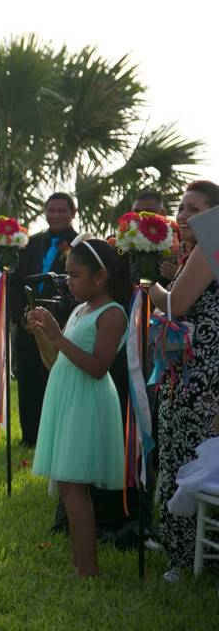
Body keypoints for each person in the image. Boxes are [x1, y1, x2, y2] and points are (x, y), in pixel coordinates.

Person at [28, 235, 130, 577]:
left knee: (74, 486)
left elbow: (99, 366)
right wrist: (44, 334)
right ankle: (79, 561)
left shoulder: (112, 313)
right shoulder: (78, 310)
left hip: (88, 400)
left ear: (99, 277)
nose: (68, 282)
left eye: (75, 275)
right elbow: (55, 361)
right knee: (69, 484)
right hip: (67, 395)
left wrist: (58, 337)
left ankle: (88, 567)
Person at [146, 180, 219, 582]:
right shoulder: (196, 251)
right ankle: (181, 546)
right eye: (181, 206)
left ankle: (188, 556)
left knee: (188, 456)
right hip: (186, 368)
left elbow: (176, 304)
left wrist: (146, 283)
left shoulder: (210, 246)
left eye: (195, 208)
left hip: (201, 374)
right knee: (176, 449)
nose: (183, 214)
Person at [11, 193, 79, 447]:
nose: (56, 215)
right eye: (51, 210)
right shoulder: (30, 243)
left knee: (55, 380)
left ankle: (56, 437)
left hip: (60, 324)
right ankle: (30, 436)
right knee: (28, 381)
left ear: (73, 213)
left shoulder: (80, 244)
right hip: (28, 323)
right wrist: (22, 317)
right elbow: (15, 284)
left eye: (62, 210)